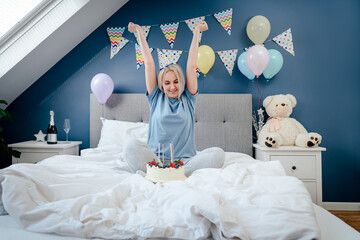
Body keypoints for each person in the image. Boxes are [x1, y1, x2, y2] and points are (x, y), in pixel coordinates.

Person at [125, 21, 225, 176]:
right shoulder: (156, 98)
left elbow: (192, 65)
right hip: (155, 160)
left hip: (184, 162)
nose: (172, 87)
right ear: (162, 85)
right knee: (130, 145)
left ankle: (167, 174)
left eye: (176, 81)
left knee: (218, 154)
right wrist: (138, 31)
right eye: (167, 83)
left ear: (182, 81)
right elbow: (149, 64)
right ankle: (161, 172)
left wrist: (197, 31)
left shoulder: (189, 99)